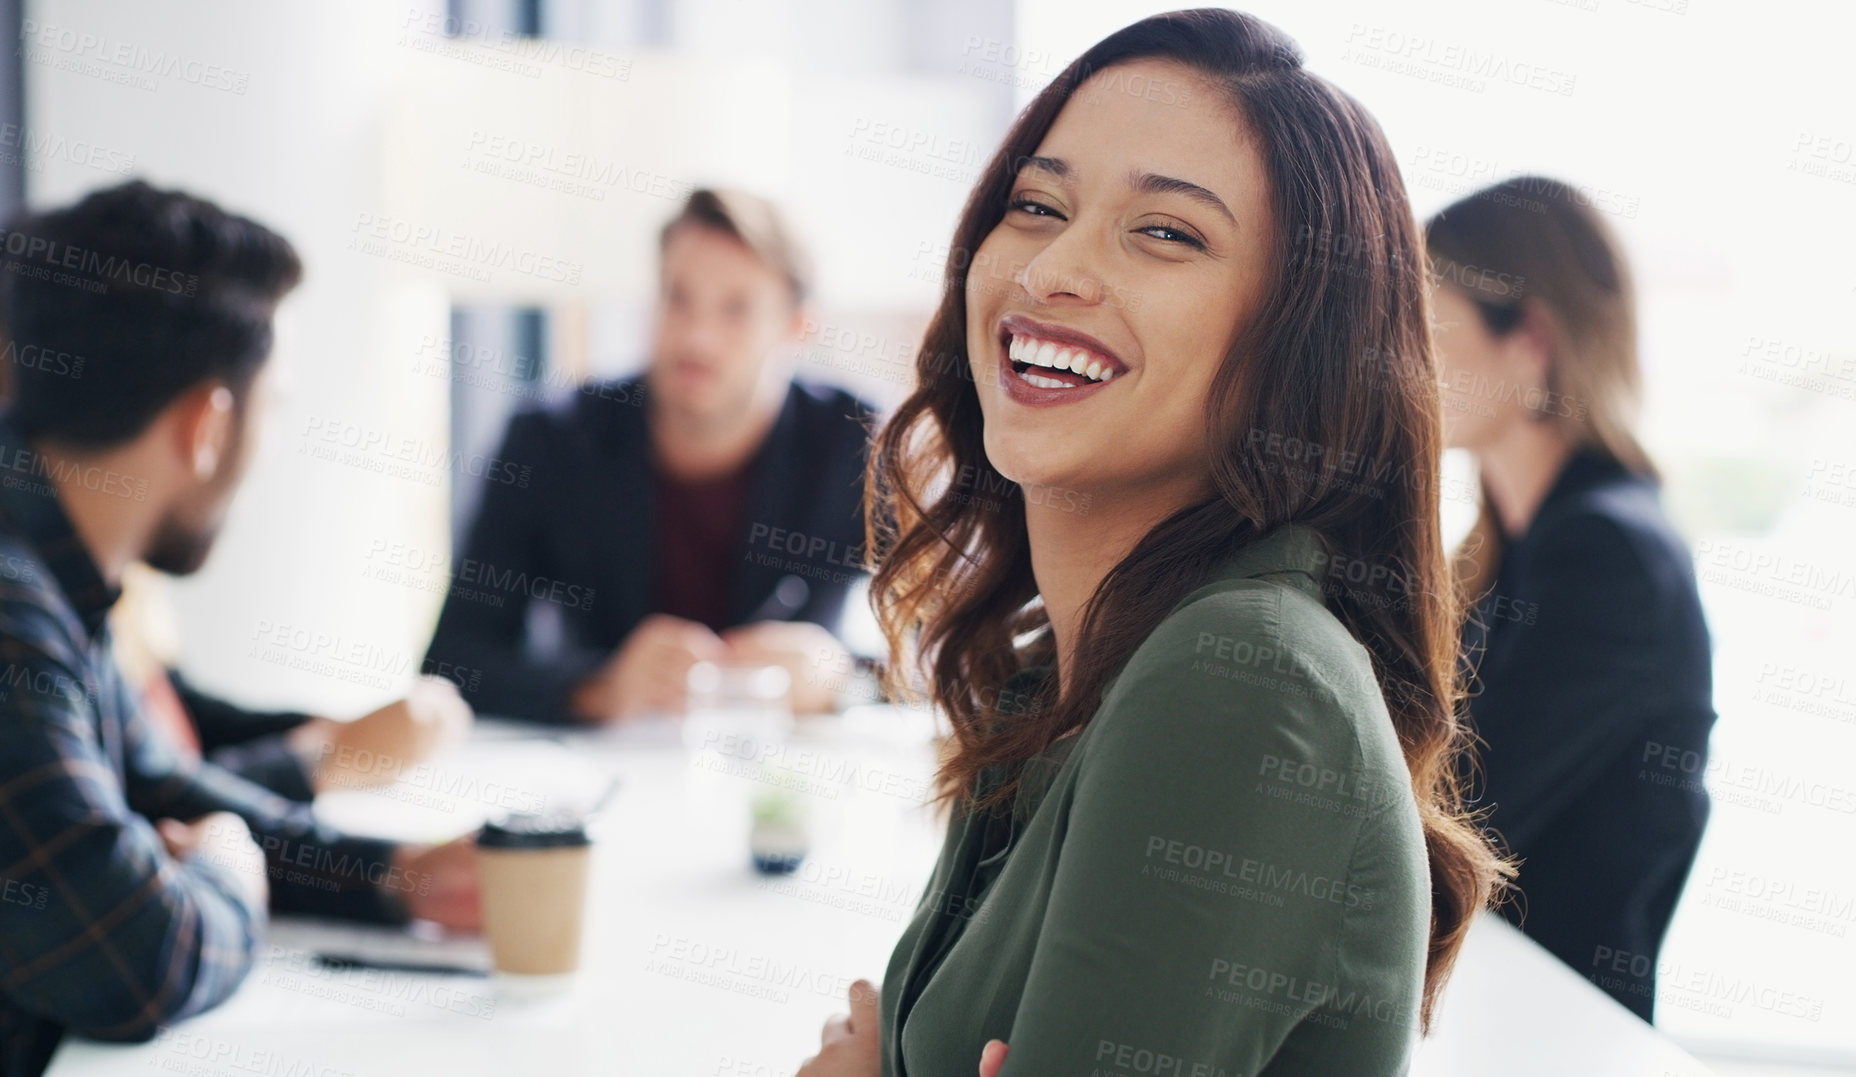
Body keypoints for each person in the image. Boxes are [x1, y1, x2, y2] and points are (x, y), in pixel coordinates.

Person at [797, 10, 1506, 1076]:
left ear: (1294, 346)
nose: (1050, 272)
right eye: (1035, 206)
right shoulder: (1056, 677)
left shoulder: (1243, 680)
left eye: (1166, 233)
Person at [0, 180, 479, 1077]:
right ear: (207, 427)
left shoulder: (54, 572)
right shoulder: (12, 615)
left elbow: (159, 785)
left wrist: (394, 872)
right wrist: (224, 866)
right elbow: (136, 958)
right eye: (276, 406)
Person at [1426, 176, 1715, 1023]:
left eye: (1431, 331)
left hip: (1553, 1038)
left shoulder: (1607, 554)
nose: (1402, 364)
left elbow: (1452, 807)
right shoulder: (1512, 553)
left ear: (1532, 339)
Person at [424, 188, 877, 725]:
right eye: (676, 297)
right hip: (602, 769)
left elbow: (957, 662)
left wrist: (842, 678)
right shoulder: (552, 438)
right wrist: (597, 687)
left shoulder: (858, 443)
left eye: (736, 309)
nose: (697, 336)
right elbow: (453, 662)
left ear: (797, 328)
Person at [110, 565, 472, 802]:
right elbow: (141, 807)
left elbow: (192, 717)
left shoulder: (128, 589)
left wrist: (344, 730)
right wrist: (327, 754)